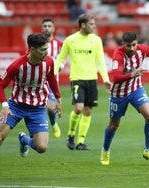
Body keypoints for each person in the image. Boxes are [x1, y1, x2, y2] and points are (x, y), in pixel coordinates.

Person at [0, 33, 62, 182]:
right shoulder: (17, 65)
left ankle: (24, 140)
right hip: (16, 106)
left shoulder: (49, 62)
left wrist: (58, 98)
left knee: (42, 148)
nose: (46, 52)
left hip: (37, 108)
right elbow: (0, 86)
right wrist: (5, 105)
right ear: (32, 49)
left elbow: (51, 79)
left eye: (47, 49)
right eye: (43, 50)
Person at [100, 31, 149, 165]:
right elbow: (116, 77)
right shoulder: (118, 54)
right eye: (129, 46)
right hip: (119, 94)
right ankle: (105, 150)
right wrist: (133, 74)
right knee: (113, 125)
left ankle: (147, 149)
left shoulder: (142, 49)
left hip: (136, 90)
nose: (132, 48)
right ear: (123, 44)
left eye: (134, 45)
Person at [55, 13, 111, 150]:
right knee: (78, 108)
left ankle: (80, 142)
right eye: (91, 24)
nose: (94, 26)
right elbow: (61, 58)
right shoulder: (70, 40)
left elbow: (100, 61)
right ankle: (71, 134)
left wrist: (106, 79)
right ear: (83, 25)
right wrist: (53, 73)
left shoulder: (96, 40)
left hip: (91, 80)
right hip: (77, 79)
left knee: (87, 111)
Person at [41, 18, 63, 138]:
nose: (47, 28)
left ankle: (53, 123)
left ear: (53, 29)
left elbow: (63, 58)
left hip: (53, 81)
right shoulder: (37, 43)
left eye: (49, 26)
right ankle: (40, 130)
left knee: (51, 108)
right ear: (41, 28)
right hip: (38, 81)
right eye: (45, 26)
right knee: (40, 107)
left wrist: (61, 65)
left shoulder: (59, 44)